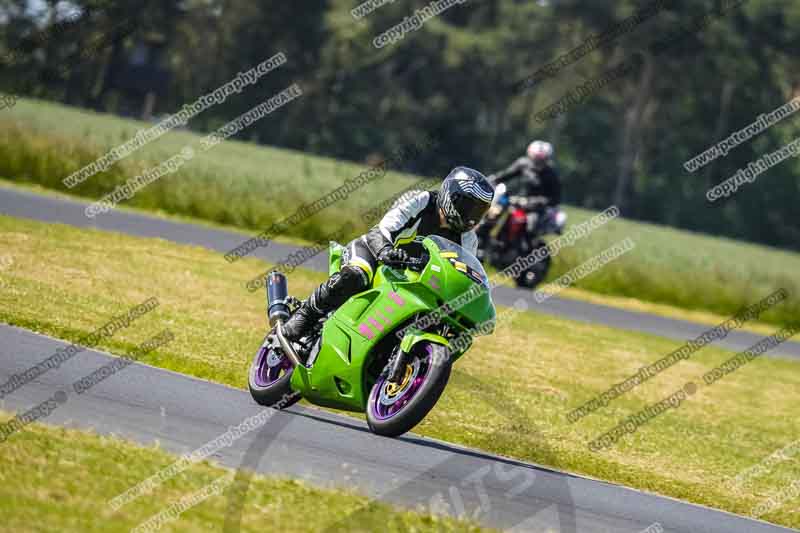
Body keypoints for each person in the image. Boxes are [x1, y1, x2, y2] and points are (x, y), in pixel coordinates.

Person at [280, 166, 494, 349]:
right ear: (450, 196)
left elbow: (461, 273)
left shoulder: (468, 239)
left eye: (479, 211)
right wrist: (385, 251)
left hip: (410, 281)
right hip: (375, 254)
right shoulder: (421, 200)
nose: (472, 217)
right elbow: (383, 229)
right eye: (468, 207)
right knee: (357, 274)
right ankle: (305, 315)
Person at [489, 140, 561, 207]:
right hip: (514, 201)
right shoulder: (523, 164)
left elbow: (554, 199)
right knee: (493, 212)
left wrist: (532, 202)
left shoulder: (551, 174)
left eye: (541, 159)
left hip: (534, 209)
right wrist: (491, 180)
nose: (538, 161)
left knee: (532, 220)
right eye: (535, 157)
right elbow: (505, 175)